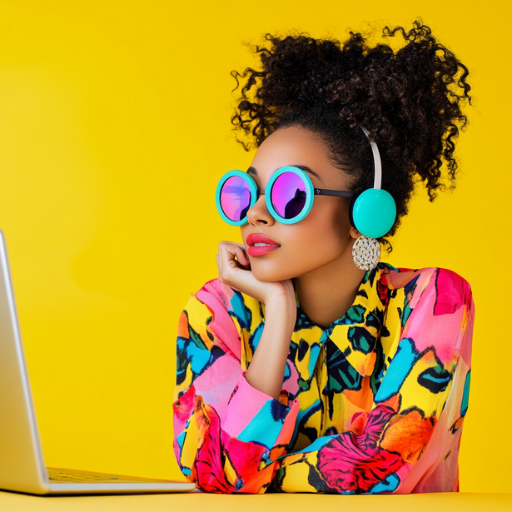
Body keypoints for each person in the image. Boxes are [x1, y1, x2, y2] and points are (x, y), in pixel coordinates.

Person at [172, 20, 475, 494]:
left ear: (364, 213)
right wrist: (277, 315)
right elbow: (217, 474)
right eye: (247, 190)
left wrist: (265, 474)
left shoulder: (433, 301)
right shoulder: (214, 312)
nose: (255, 213)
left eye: (288, 194)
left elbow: (381, 467)